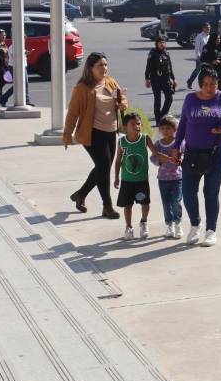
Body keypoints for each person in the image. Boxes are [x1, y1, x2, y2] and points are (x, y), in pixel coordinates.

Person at [173, 66, 221, 247]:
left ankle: (211, 231)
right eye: (206, 84)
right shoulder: (190, 99)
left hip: (216, 153)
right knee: (188, 191)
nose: (210, 88)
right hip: (192, 153)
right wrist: (176, 147)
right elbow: (183, 125)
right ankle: (195, 225)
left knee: (210, 192)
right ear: (200, 85)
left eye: (214, 84)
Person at [64, 52, 125, 219]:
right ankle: (107, 206)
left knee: (102, 167)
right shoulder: (82, 88)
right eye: (100, 65)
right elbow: (73, 113)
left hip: (111, 130)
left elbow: (122, 98)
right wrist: (67, 134)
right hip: (92, 133)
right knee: (104, 167)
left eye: (105, 64)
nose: (104, 68)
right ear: (90, 68)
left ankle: (80, 194)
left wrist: (122, 104)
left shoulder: (111, 82)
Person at [114, 112, 153, 241]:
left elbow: (157, 153)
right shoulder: (122, 141)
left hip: (142, 180)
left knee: (145, 203)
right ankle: (129, 227)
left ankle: (144, 222)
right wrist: (116, 177)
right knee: (128, 205)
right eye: (133, 124)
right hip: (127, 180)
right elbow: (118, 160)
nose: (137, 126)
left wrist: (170, 159)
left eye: (138, 123)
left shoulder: (145, 139)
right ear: (125, 126)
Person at [151, 115, 183, 239]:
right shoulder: (158, 144)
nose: (165, 131)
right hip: (163, 179)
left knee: (176, 201)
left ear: (174, 129)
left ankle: (178, 224)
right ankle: (169, 225)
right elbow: (153, 157)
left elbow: (184, 154)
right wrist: (159, 161)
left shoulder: (179, 142)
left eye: (168, 128)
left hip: (177, 178)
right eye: (163, 128)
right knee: (166, 203)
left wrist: (180, 160)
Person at [144, 34, 176, 124]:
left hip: (166, 79)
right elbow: (148, 67)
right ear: (156, 44)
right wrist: (147, 79)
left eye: (163, 42)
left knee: (169, 98)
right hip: (155, 79)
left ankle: (163, 116)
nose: (162, 44)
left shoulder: (166, 53)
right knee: (157, 99)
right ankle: (158, 119)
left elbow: (170, 67)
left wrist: (174, 78)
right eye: (160, 42)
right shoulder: (152, 53)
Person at [185, 22, 212, 88]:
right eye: (207, 28)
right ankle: (190, 81)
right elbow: (197, 48)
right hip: (201, 58)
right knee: (197, 71)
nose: (208, 29)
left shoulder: (210, 37)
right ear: (203, 28)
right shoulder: (199, 36)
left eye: (209, 28)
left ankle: (206, 85)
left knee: (208, 71)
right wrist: (198, 56)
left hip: (208, 58)